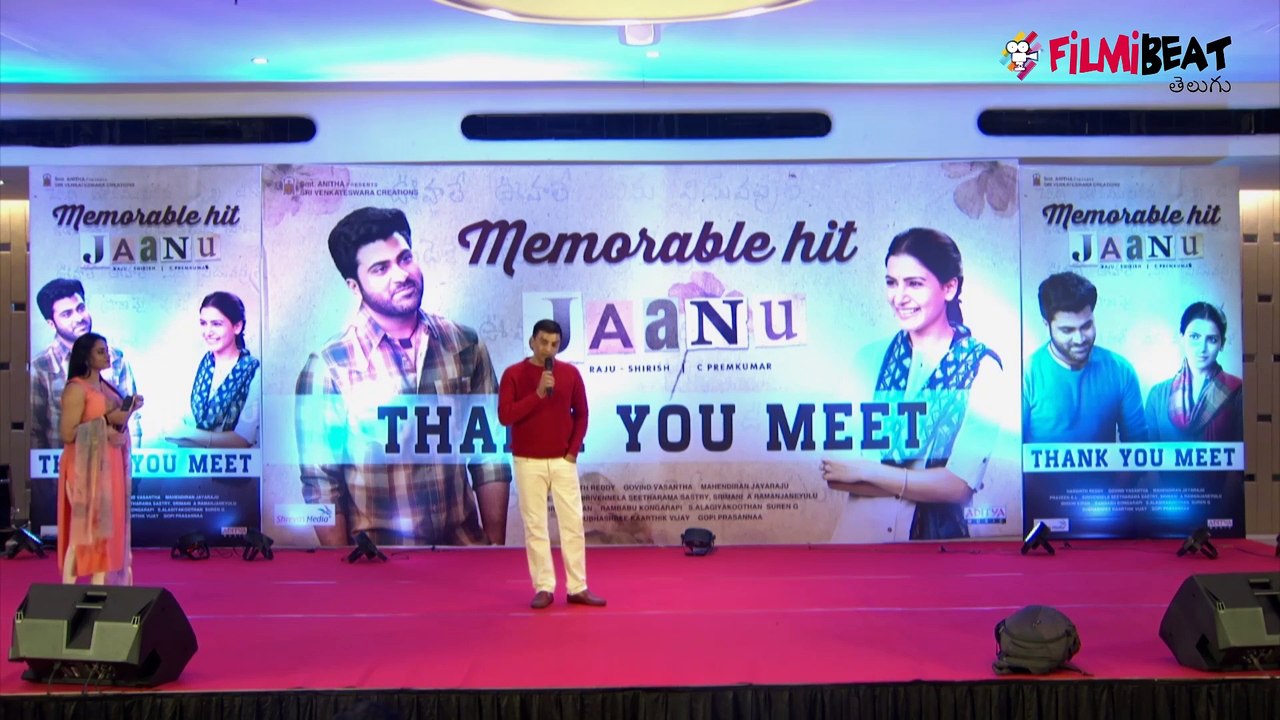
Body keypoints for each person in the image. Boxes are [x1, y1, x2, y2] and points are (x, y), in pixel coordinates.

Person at [295, 207, 510, 547]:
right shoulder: (328, 367)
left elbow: (490, 456)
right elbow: (321, 484)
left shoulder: (464, 345)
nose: (400, 275)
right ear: (354, 286)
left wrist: (493, 549)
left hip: (464, 551)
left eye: (405, 258)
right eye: (380, 268)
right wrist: (341, 569)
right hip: (377, 564)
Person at [821, 228, 1004, 541]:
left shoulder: (982, 369)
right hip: (859, 541)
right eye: (892, 282)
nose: (899, 297)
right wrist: (926, 482)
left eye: (915, 284)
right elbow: (837, 472)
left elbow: (958, 487)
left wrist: (868, 470)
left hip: (936, 547)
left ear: (949, 288)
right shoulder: (867, 359)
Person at [498, 319, 605, 609]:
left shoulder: (570, 374)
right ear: (532, 342)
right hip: (527, 461)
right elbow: (505, 416)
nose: (548, 349)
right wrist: (537, 395)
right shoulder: (513, 374)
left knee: (573, 523)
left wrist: (572, 452)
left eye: (554, 344)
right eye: (543, 342)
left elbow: (582, 414)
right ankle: (544, 587)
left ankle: (578, 586)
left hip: (562, 461)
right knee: (536, 525)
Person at [57, 332, 143, 585]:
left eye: (107, 351)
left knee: (107, 533)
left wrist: (128, 409)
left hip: (110, 465)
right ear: (86, 357)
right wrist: (105, 422)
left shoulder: (106, 387)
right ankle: (67, 591)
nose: (107, 356)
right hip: (84, 468)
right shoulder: (76, 388)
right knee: (83, 532)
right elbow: (68, 433)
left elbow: (115, 424)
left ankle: (102, 590)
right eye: (100, 351)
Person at [1022, 271, 1147, 443]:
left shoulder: (1121, 371)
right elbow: (1011, 453)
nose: (1079, 339)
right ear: (1047, 324)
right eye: (1067, 330)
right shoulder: (1026, 376)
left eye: (1086, 326)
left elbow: (1139, 450)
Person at [32, 278, 140, 449]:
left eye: (81, 308)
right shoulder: (40, 368)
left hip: (113, 461)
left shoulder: (115, 359)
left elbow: (131, 420)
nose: (78, 318)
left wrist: (130, 462)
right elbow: (34, 432)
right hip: (67, 463)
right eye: (67, 314)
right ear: (51, 323)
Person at [167, 291, 262, 448]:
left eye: (216, 324)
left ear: (237, 327)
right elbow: (172, 428)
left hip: (233, 463)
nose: (208, 332)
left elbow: (243, 439)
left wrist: (187, 434)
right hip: (189, 461)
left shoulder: (254, 372)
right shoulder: (193, 367)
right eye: (203, 323)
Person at [1144, 302, 1243, 442]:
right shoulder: (1157, 395)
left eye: (1212, 339)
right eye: (1194, 337)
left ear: (1222, 344)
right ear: (1182, 338)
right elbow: (1149, 452)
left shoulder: (1238, 391)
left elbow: (1243, 451)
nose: (1202, 348)